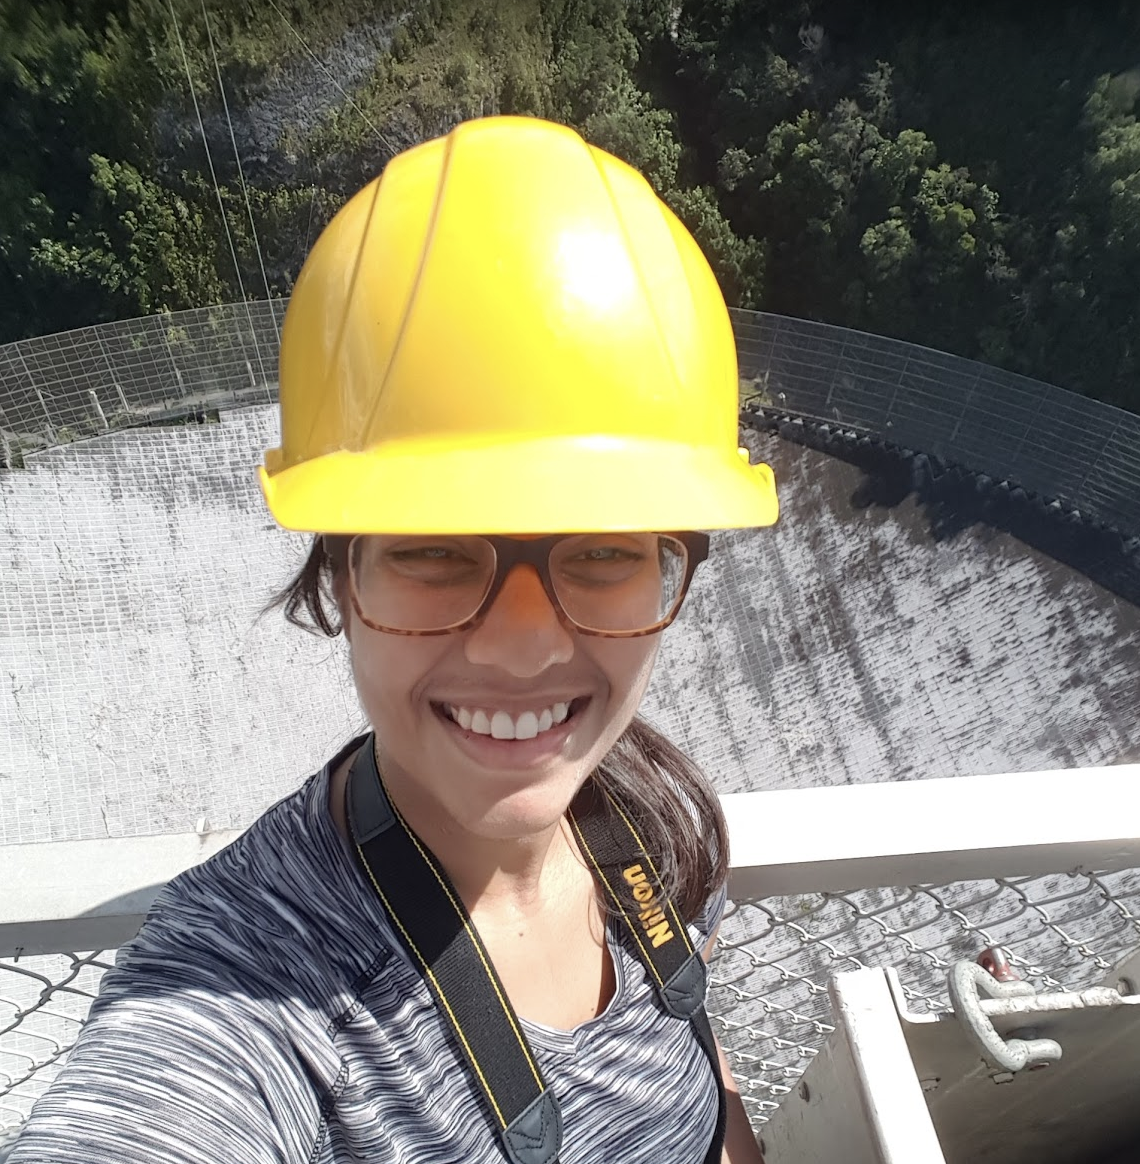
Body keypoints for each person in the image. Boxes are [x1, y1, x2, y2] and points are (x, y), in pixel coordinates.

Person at [9, 115, 778, 1163]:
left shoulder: (658, 814)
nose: (520, 648)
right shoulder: (261, 982)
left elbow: (700, 1073)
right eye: (434, 551)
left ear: (675, 564)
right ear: (340, 576)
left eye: (603, 551)